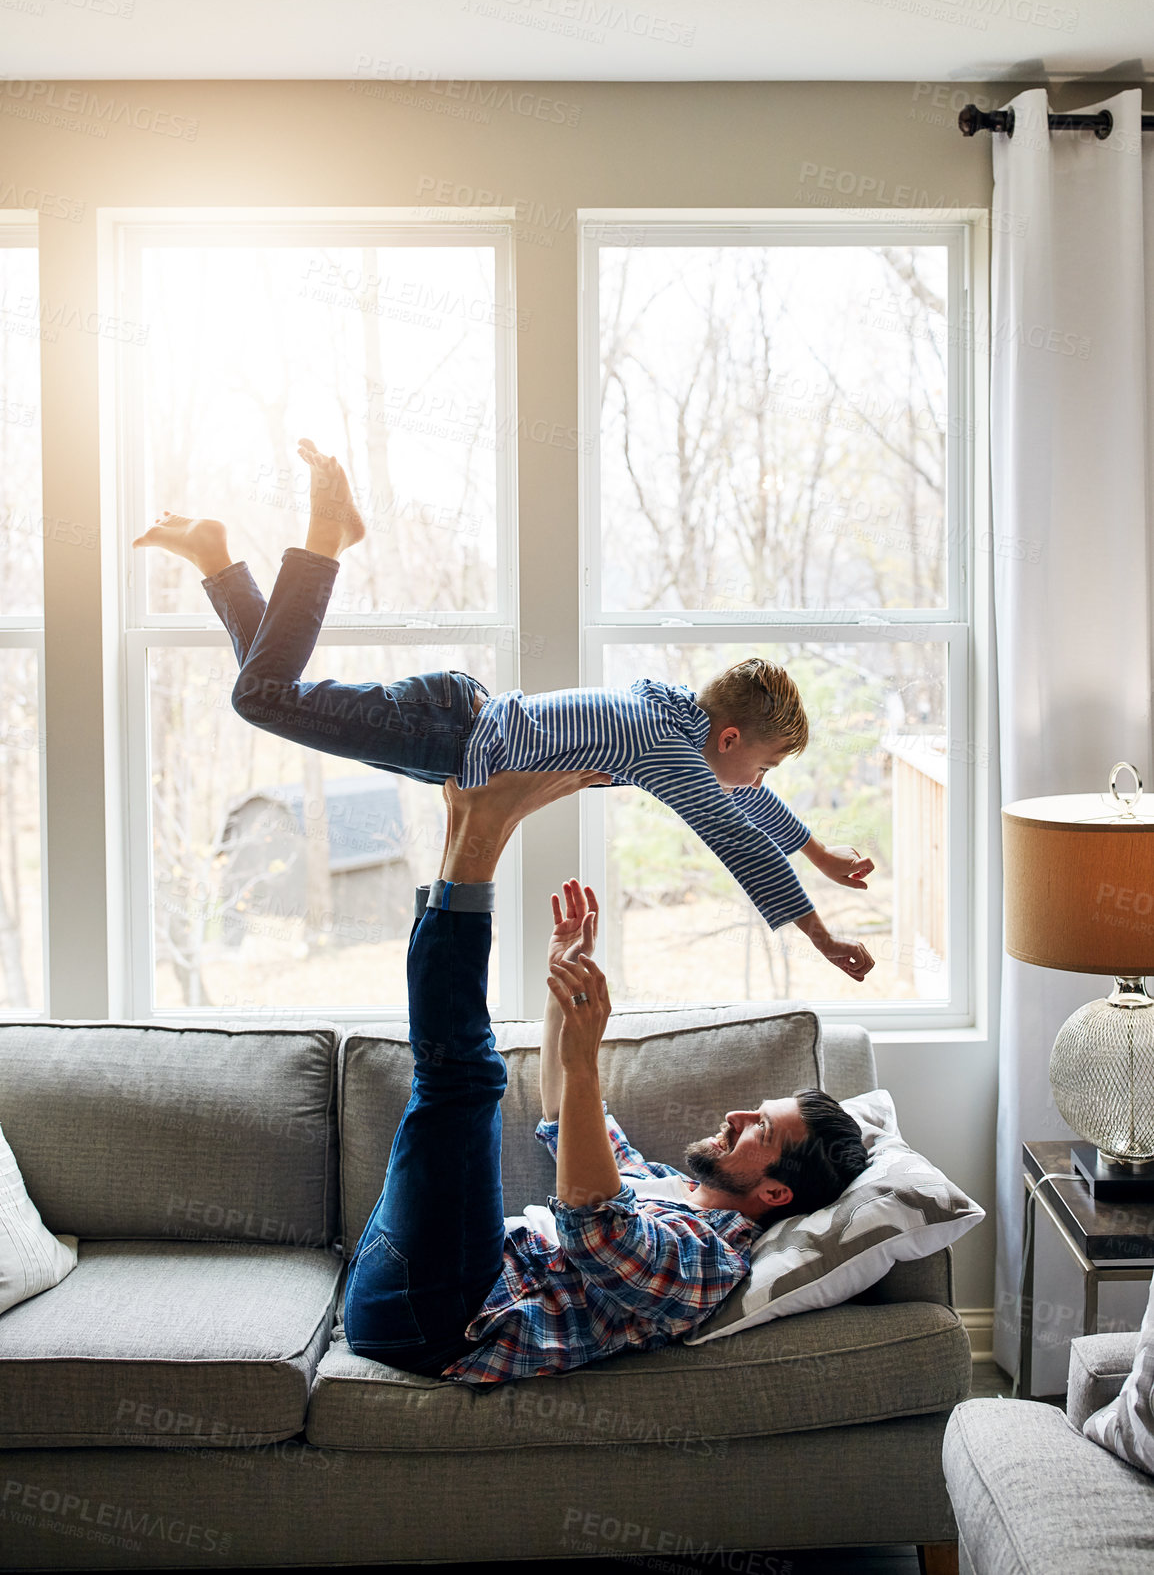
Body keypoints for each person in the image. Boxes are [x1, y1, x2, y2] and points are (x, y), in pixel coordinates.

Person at [134, 441, 876, 982]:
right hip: (445, 730)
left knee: (274, 697)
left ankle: (216, 560)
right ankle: (324, 536)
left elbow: (743, 802)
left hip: (450, 732)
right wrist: (820, 936)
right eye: (766, 763)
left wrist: (816, 852)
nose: (761, 778)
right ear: (731, 735)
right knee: (263, 698)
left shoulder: (676, 720)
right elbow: (734, 835)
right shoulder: (669, 750)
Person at [338, 768, 868, 1386]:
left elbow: (593, 1226)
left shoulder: (711, 1263)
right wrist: (564, 980)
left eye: (763, 1131)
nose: (738, 1116)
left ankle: (478, 836)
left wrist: (587, 1060)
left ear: (777, 1193)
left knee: (463, 1080)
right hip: (417, 1272)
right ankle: (466, 827)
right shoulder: (663, 1186)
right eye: (757, 1109)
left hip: (438, 1321)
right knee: (457, 1078)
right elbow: (562, 1117)